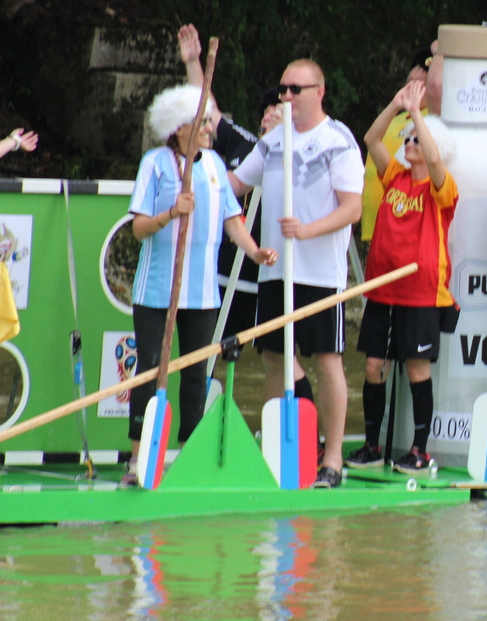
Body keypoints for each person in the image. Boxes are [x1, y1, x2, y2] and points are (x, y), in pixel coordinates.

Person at [125, 85, 277, 485]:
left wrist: (256, 251)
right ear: (179, 129)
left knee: (196, 375)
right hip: (157, 291)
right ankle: (137, 458)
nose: (211, 128)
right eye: (203, 122)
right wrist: (171, 213)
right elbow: (138, 228)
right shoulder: (155, 164)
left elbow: (232, 220)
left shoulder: (213, 166)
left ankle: (189, 457)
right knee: (151, 370)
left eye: (209, 121)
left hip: (202, 293)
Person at [230, 59, 365, 489]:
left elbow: (352, 207)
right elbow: (235, 185)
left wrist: (307, 230)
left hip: (320, 273)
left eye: (295, 89)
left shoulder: (337, 140)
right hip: (275, 270)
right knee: (274, 359)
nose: (286, 97)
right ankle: (279, 448)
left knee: (327, 361)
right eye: (282, 88)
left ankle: (332, 460)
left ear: (319, 92)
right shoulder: (272, 141)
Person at [176, 25, 319, 403]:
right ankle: (202, 420)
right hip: (227, 270)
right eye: (270, 109)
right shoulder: (244, 144)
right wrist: (194, 63)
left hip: (269, 273)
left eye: (283, 109)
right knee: (208, 347)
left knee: (280, 355)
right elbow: (207, 110)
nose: (274, 115)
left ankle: (305, 429)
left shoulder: (303, 154)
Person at [348, 77, 458, 474]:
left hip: (421, 292)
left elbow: (435, 160)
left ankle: (419, 449)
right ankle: (372, 444)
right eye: (407, 139)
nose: (409, 144)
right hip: (382, 289)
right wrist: (396, 105)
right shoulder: (393, 175)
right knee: (374, 366)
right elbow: (372, 139)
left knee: (416, 368)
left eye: (416, 140)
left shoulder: (441, 188)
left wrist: (417, 114)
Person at [361, 43, 436, 242]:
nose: (412, 88)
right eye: (410, 81)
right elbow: (371, 140)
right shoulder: (394, 119)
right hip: (377, 220)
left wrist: (439, 54)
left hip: (406, 221)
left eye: (421, 84)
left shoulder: (434, 119)